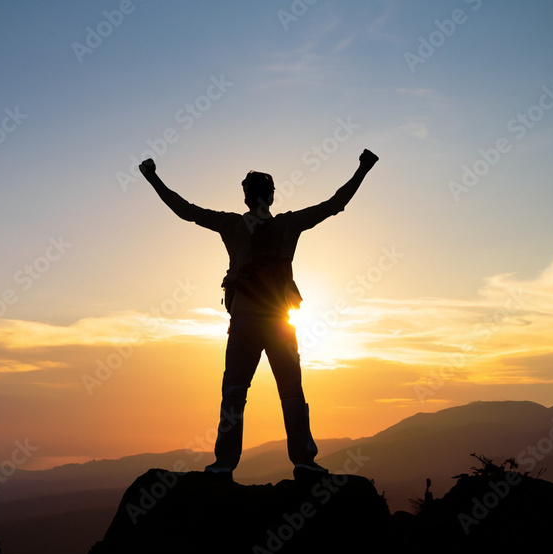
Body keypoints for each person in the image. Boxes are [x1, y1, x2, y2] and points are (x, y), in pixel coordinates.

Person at [139, 149, 378, 479]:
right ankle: (304, 461)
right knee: (291, 391)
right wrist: (363, 168)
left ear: (247, 196)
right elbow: (334, 204)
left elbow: (186, 211)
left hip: (245, 320)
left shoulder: (233, 225)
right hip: (279, 321)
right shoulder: (288, 224)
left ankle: (224, 463)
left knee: (235, 392)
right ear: (272, 196)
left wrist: (152, 178)